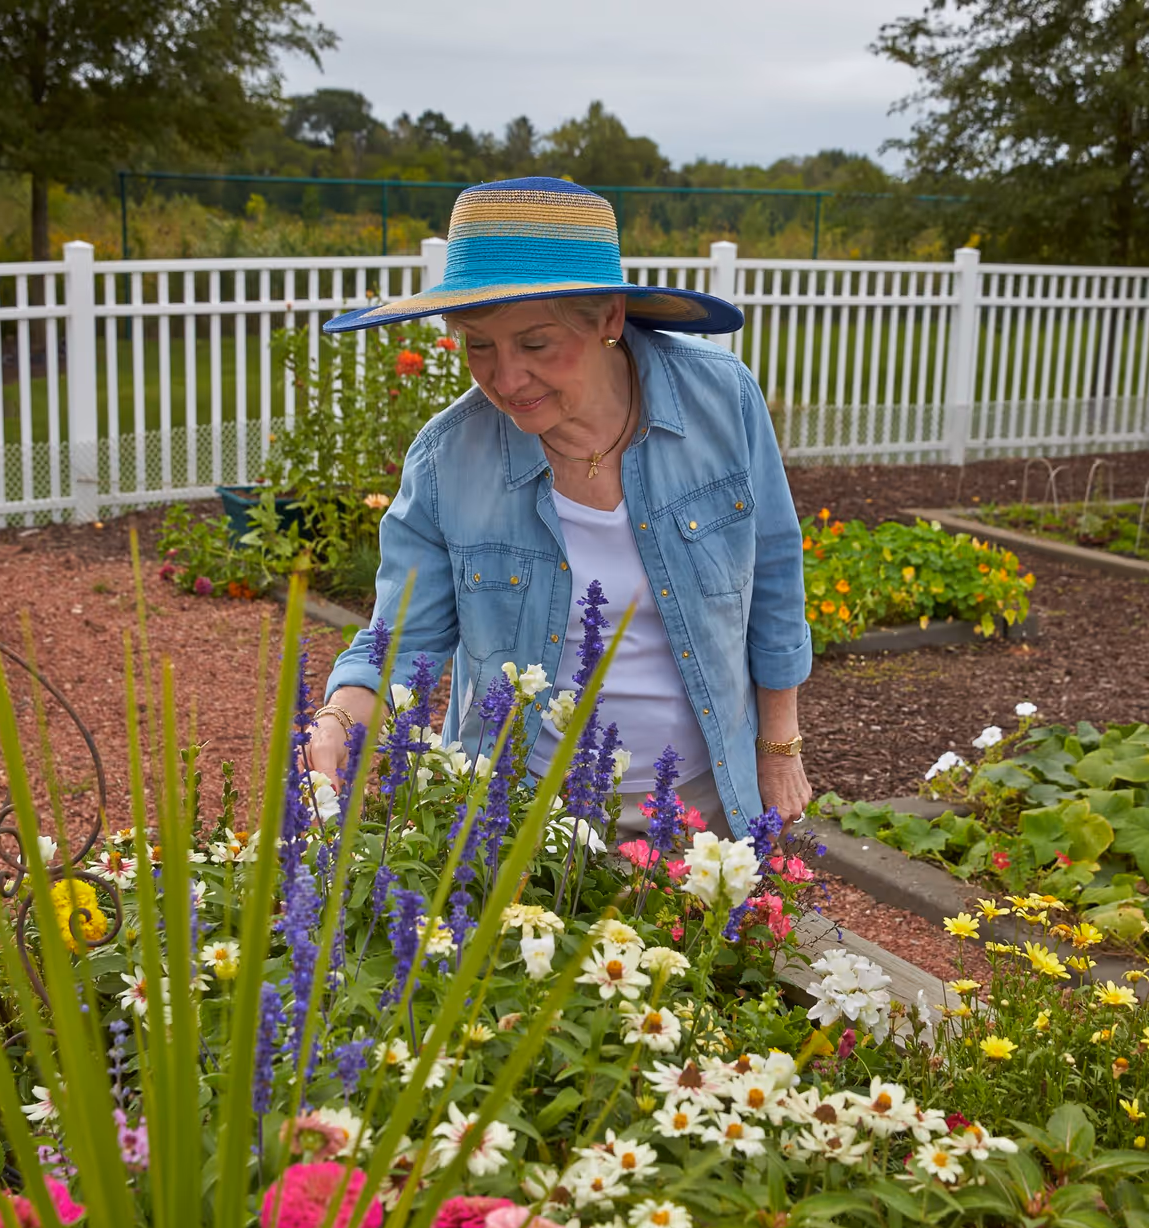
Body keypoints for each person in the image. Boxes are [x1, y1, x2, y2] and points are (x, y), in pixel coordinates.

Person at [307, 177, 811, 838]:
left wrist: (778, 746)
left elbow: (773, 567)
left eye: (536, 344)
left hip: (704, 799)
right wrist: (340, 717)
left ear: (608, 318)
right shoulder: (446, 462)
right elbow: (399, 639)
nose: (506, 379)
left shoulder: (719, 399)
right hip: (528, 819)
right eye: (478, 345)